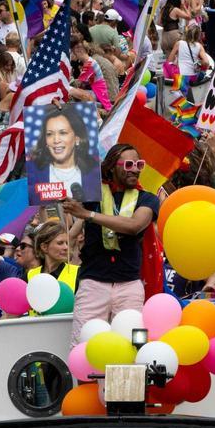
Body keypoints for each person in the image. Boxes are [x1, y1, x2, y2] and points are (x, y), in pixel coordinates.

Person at [62, 144, 161, 345]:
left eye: (139, 164)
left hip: (129, 285)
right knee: (83, 345)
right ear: (111, 167)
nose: (135, 169)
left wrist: (88, 215)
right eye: (129, 164)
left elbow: (134, 226)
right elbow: (66, 188)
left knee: (133, 347)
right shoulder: (92, 194)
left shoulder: (147, 198)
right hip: (92, 284)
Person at [24, 103, 100, 202]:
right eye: (50, 134)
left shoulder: (95, 171)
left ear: (77, 138)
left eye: (63, 133)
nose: (56, 140)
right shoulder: (32, 171)